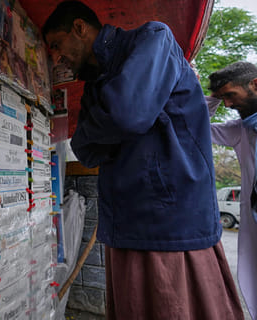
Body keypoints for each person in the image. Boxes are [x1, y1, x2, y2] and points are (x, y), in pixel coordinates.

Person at [42, 1, 244, 319]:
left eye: (56, 44)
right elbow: (83, 147)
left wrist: (114, 121)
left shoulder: (153, 38)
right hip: (125, 224)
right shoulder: (95, 84)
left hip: (171, 225)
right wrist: (114, 117)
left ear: (79, 28)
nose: (57, 57)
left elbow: (127, 115)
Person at [207, 61, 257, 319]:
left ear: (255, 85)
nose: (227, 104)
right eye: (222, 97)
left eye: (230, 95)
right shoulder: (242, 131)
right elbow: (194, 125)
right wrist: (212, 98)